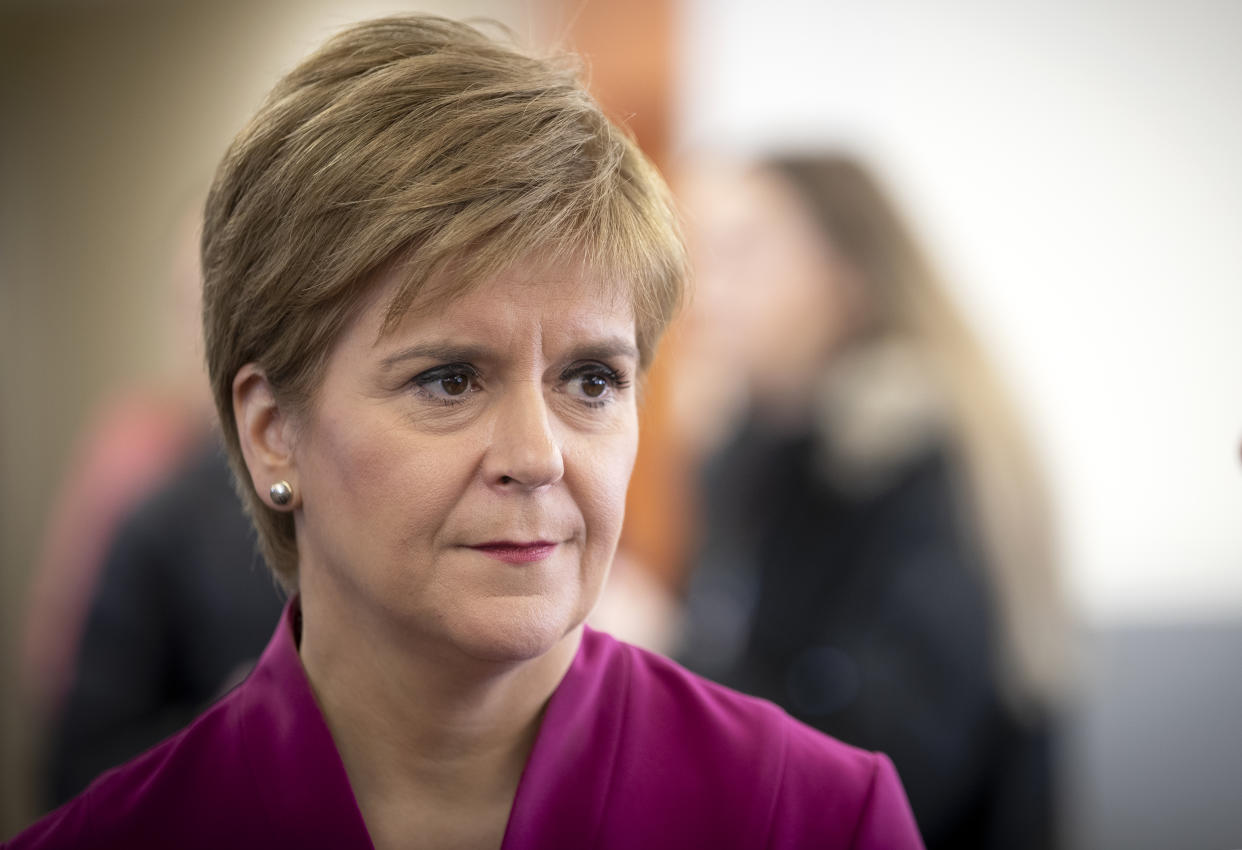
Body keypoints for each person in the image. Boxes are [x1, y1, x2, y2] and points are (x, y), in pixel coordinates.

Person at [6, 16, 923, 850]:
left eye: (592, 380)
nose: (538, 457)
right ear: (272, 432)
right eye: (450, 380)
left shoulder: (815, 819)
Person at [673, 155, 1067, 850]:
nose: (707, 291)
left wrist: (669, 654)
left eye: (743, 253)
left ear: (847, 274)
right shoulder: (749, 451)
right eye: (702, 254)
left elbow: (901, 759)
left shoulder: (915, 454)